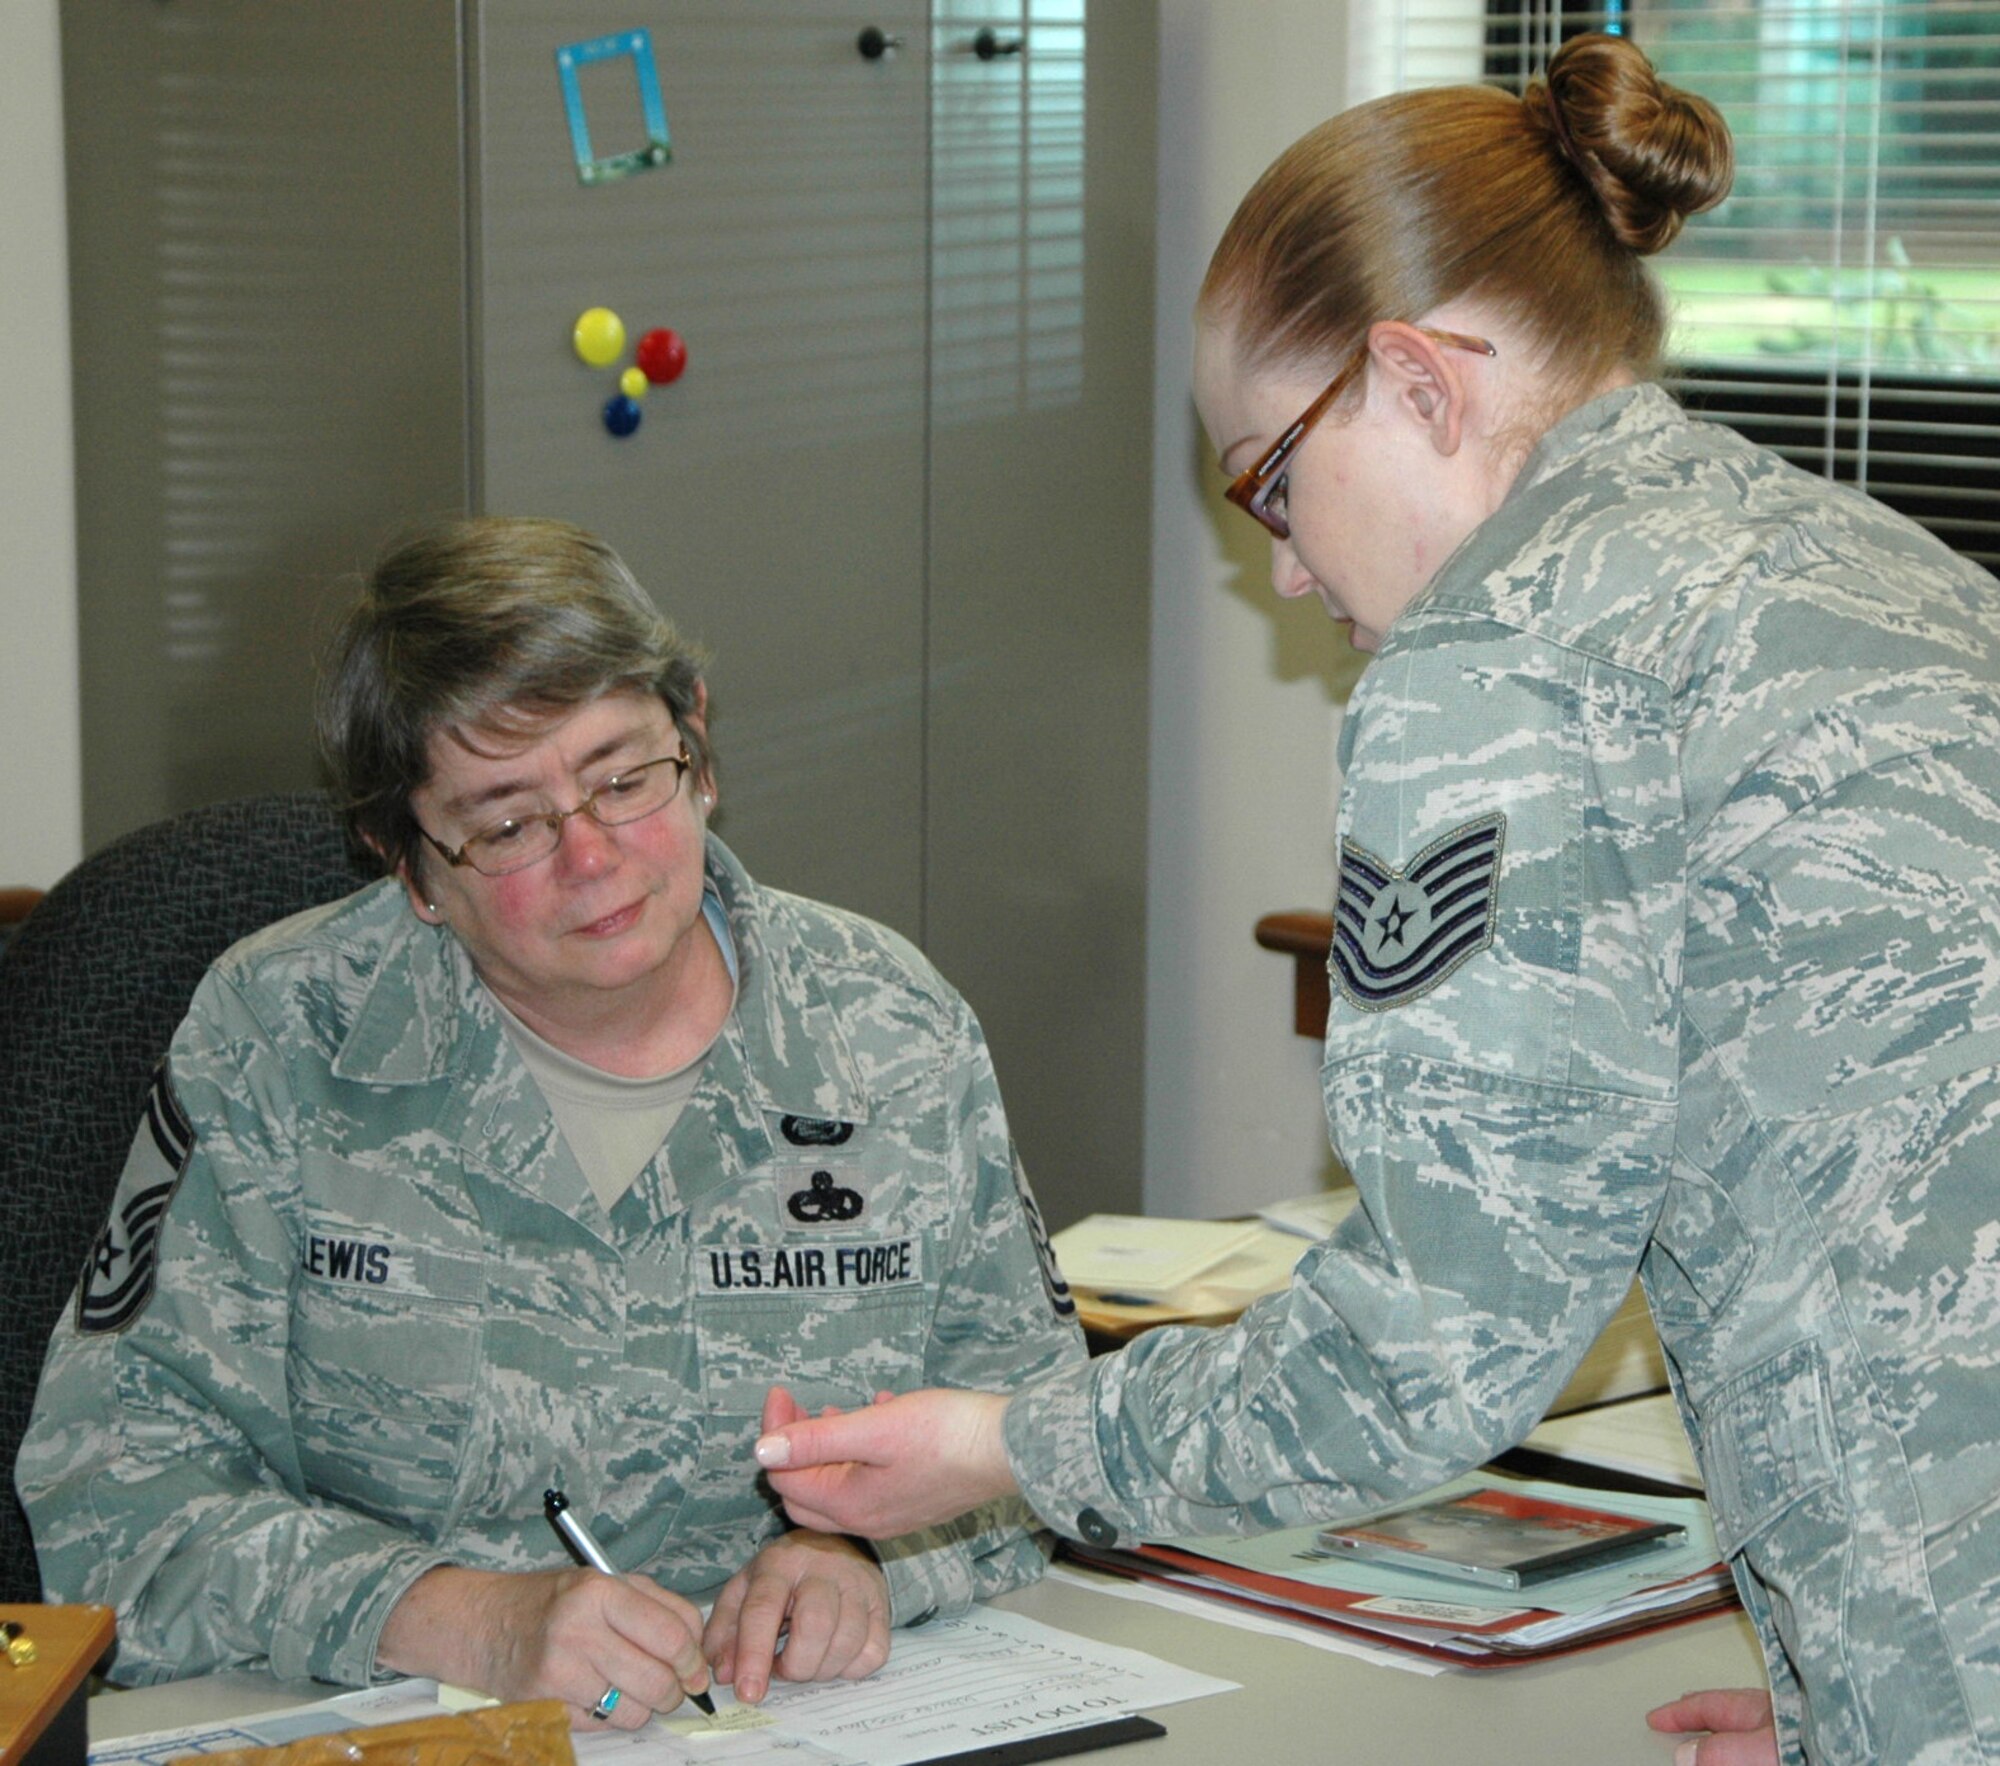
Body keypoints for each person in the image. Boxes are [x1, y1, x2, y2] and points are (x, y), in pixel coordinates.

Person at [749, 34, 2000, 1766]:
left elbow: (1439, 1340)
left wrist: (1012, 1445)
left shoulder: (1500, 650)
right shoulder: (1869, 557)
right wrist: (1834, 1671)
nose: (1277, 559)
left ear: (1415, 381)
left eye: (1268, 475)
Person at [17, 517, 1083, 1724]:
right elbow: (108, 1494)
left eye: (625, 776)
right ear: (408, 861)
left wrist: (869, 1562)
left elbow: (1038, 1437)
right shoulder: (279, 1038)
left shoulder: (891, 1028)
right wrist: (458, 1613)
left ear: (697, 740)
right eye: (510, 822)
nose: (592, 855)